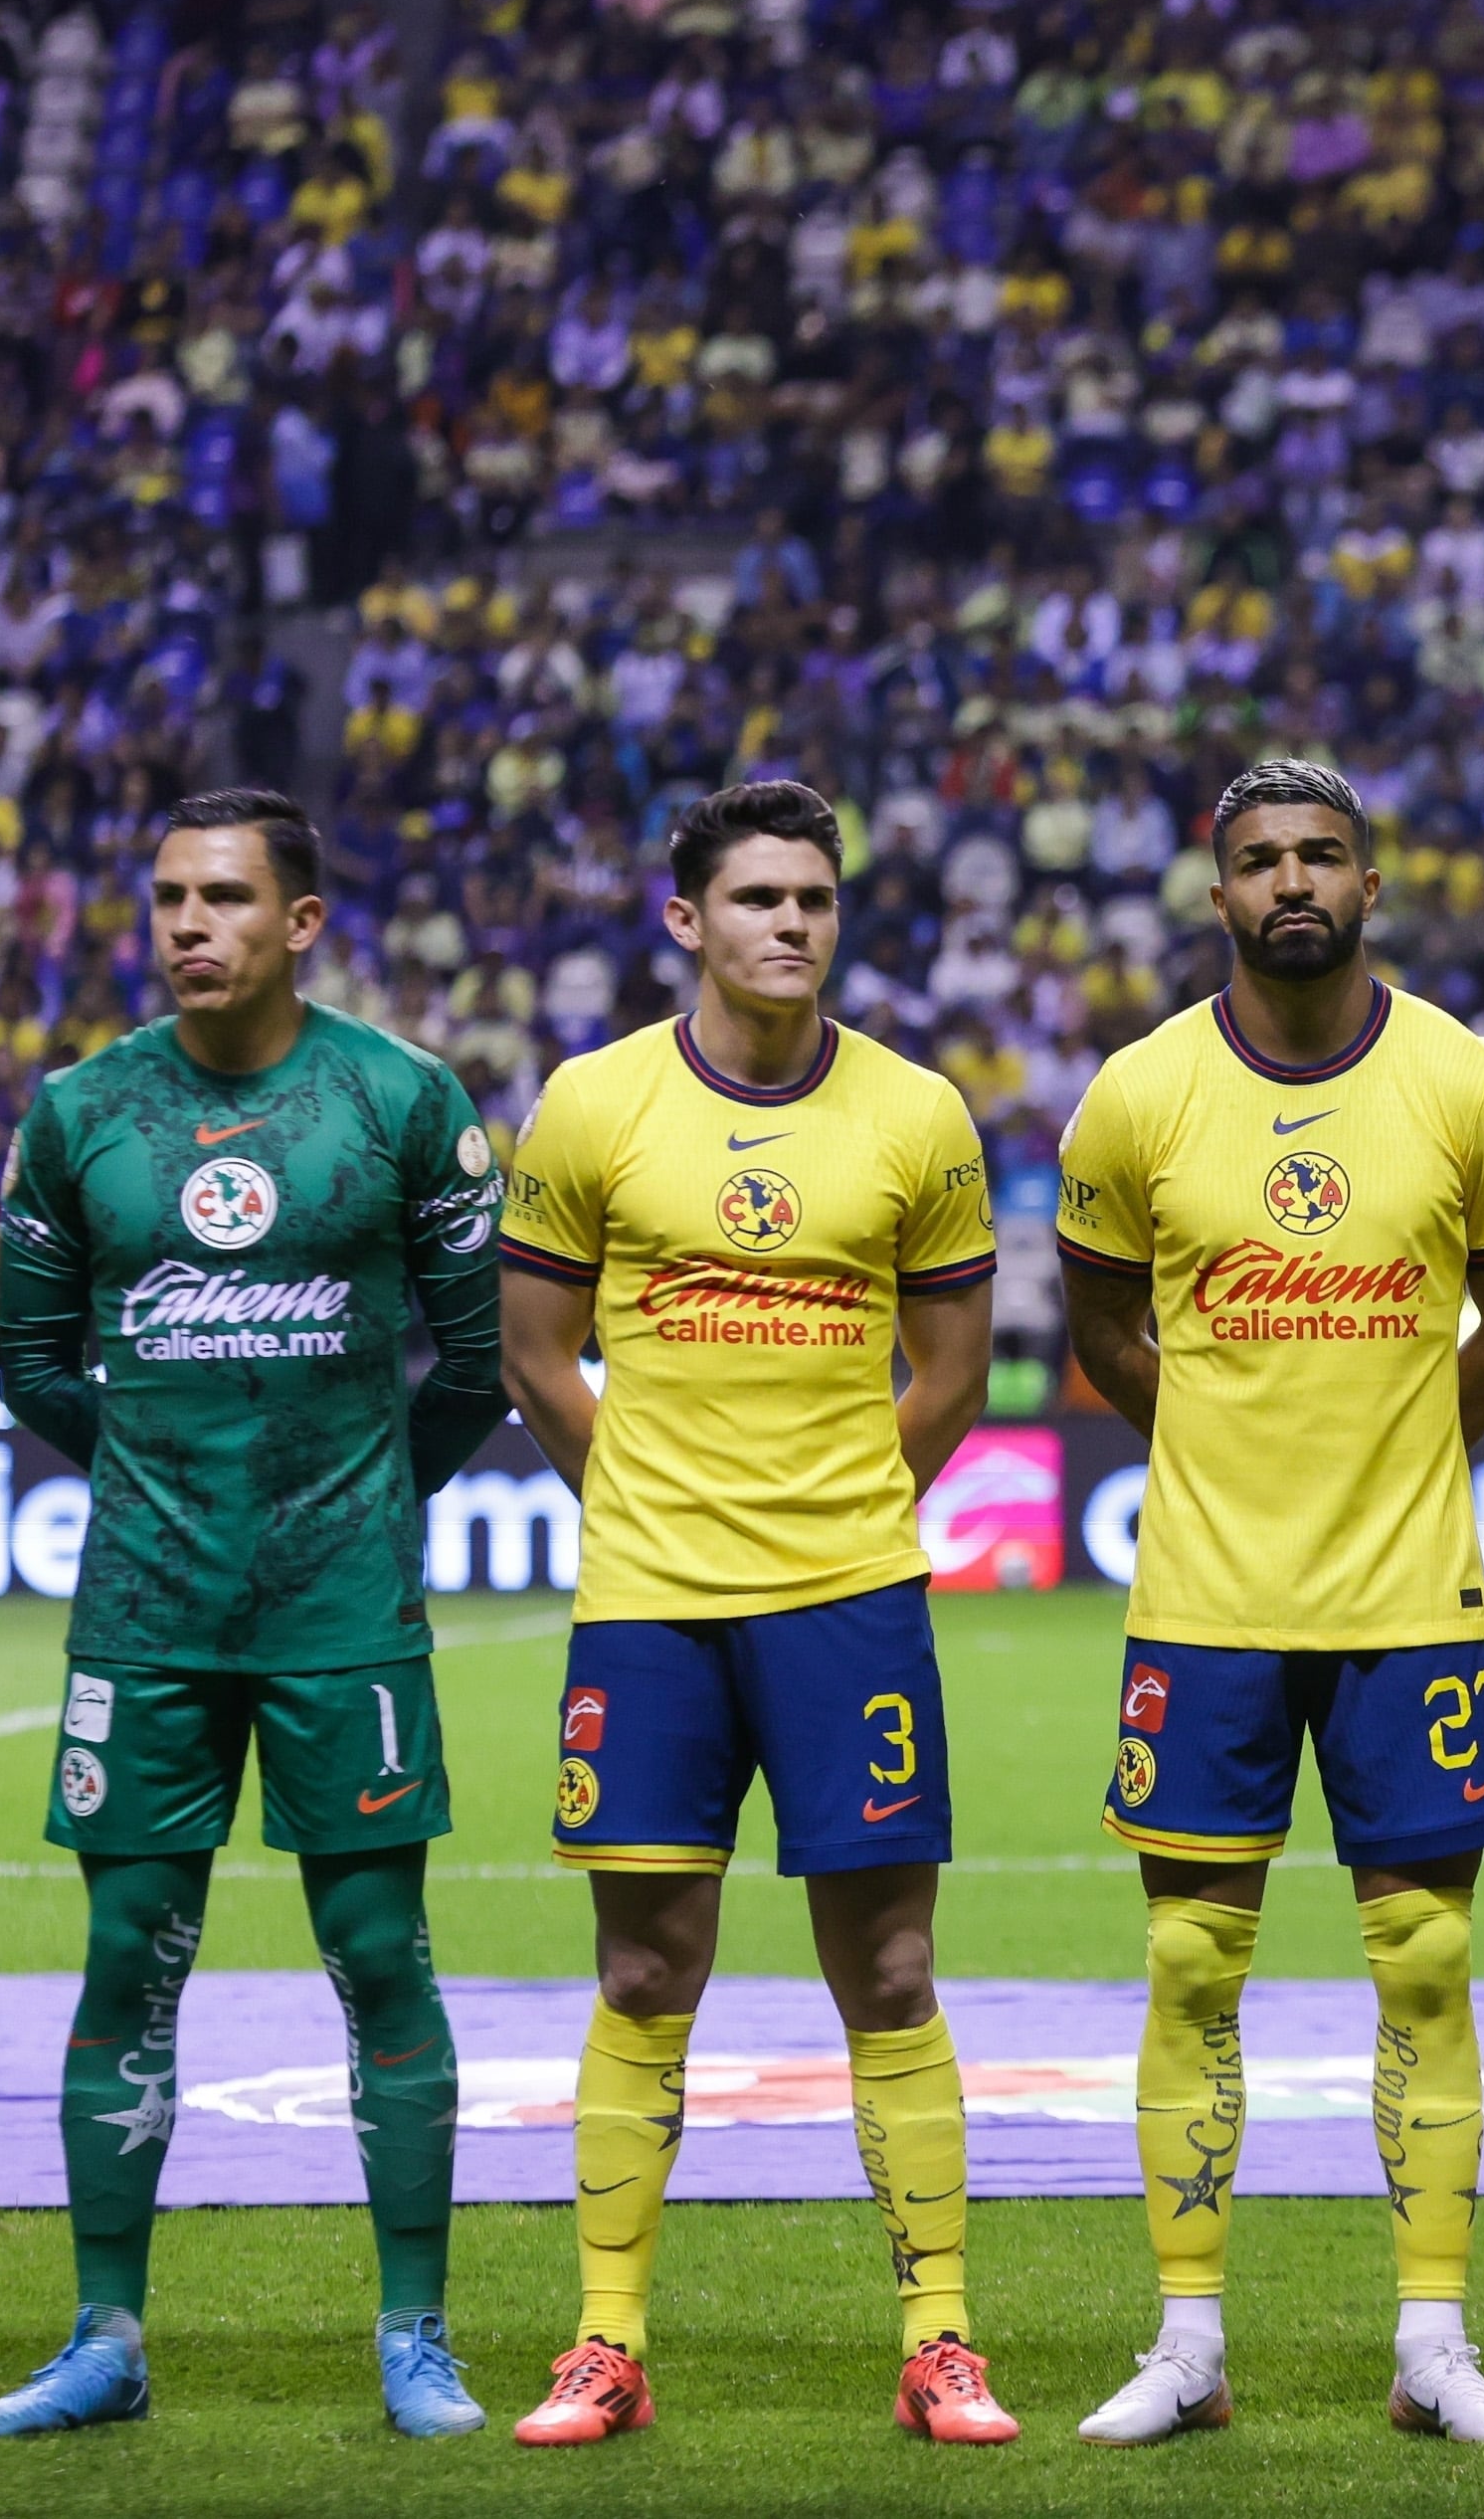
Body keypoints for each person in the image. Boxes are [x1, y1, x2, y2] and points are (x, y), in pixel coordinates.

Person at [0, 788, 507, 2441]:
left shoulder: (402, 1100)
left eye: (221, 897)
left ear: (303, 921)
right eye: (166, 898)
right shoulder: (81, 1110)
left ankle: (415, 2333)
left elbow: (475, 1370)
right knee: (127, 1960)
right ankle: (106, 2333)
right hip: (144, 1613)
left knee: (378, 1959)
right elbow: (34, 1358)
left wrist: (344, 1498)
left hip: (344, 1615)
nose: (187, 925)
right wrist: (163, 1479)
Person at [495, 778, 1017, 2448]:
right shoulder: (592, 1103)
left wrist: (845, 1504)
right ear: (686, 920)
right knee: (647, 1960)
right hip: (649, 1603)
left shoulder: (920, 1114)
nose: (791, 923)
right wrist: (645, 1494)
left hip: (848, 1599)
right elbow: (533, 1350)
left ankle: (939, 2337)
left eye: (815, 897)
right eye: (757, 898)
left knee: (895, 1963)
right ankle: (605, 2342)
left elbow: (947, 1368)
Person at [1055, 758, 1484, 2447]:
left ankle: (1433, 2340)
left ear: (1370, 881)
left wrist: (1394, 1444)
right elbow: (1104, 1331)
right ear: (1217, 894)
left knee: (1425, 1956)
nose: (1293, 882)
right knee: (1192, 1959)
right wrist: (1230, 1447)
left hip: (1410, 1596)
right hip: (1205, 1601)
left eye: (1321, 856)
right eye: (1261, 858)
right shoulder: (1135, 1096)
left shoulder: (1470, 1079)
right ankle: (1187, 2342)